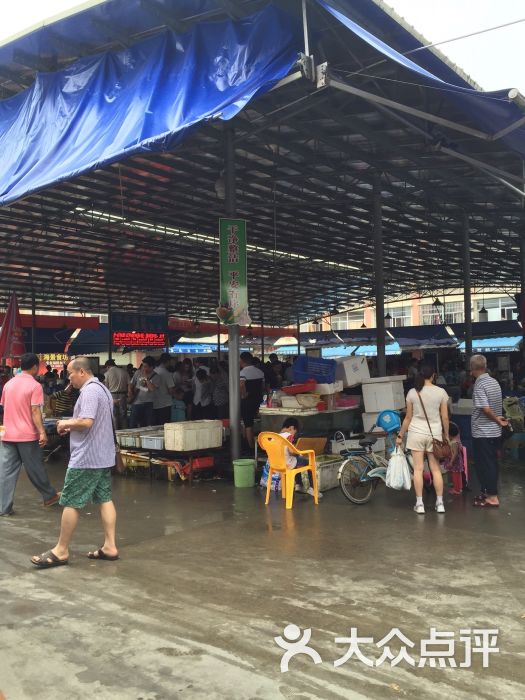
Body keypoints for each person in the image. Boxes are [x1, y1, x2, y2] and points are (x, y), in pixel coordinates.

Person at [31, 356, 119, 568]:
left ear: (81, 372)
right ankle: (110, 546)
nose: (68, 378)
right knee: (104, 498)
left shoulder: (89, 391)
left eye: (70, 373)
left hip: (87, 457)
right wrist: (73, 426)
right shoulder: (103, 389)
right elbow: (94, 423)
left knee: (70, 501)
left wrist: (65, 423)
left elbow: (87, 421)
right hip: (103, 455)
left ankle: (61, 550)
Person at [0, 353, 61, 516]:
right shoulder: (35, 386)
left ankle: (3, 508)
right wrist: (42, 432)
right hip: (27, 435)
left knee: (6, 472)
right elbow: (35, 411)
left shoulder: (9, 384)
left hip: (8, 434)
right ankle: (49, 496)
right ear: (34, 366)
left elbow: (5, 408)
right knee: (35, 468)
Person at [396, 365, 449, 514]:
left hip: (416, 434)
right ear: (433, 376)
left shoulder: (413, 393)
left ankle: (419, 504)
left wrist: (400, 435)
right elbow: (444, 416)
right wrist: (446, 434)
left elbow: (408, 417)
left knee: (418, 470)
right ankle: (440, 503)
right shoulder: (441, 392)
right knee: (435, 469)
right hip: (435, 435)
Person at [470, 354, 508, 508]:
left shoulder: (479, 385)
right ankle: (487, 493)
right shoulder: (494, 382)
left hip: (483, 431)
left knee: (486, 464)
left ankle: (492, 497)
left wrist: (496, 419)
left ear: (472, 368)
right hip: (494, 431)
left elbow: (485, 408)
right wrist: (498, 421)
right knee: (490, 462)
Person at [280, 417, 321, 499]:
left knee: (297, 461)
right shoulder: (288, 436)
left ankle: (299, 485)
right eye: (295, 431)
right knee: (308, 462)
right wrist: (299, 452)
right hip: (288, 463)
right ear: (291, 428)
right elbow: (292, 452)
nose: (294, 434)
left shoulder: (276, 436)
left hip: (278, 465)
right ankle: (313, 489)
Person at [240, 351, 265, 450]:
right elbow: (263, 387)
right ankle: (257, 445)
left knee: (248, 424)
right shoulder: (260, 372)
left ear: (242, 361)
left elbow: (241, 385)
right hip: (258, 401)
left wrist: (243, 394)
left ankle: (251, 448)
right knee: (255, 423)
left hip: (247, 401)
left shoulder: (243, 372)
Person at [128, 356, 158, 428]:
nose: (143, 368)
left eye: (146, 367)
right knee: (132, 424)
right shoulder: (138, 373)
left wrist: (146, 378)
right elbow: (131, 384)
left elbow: (152, 389)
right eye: (143, 366)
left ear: (152, 367)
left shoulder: (156, 376)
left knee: (147, 425)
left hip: (148, 403)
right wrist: (130, 392)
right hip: (136, 402)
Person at [103, 359, 130, 429]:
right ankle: (125, 430)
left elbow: (106, 387)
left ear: (108, 366)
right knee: (123, 414)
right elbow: (129, 384)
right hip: (123, 395)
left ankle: (116, 431)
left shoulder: (107, 374)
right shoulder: (124, 372)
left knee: (114, 415)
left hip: (112, 395)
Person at [153, 353, 176, 425]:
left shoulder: (154, 371)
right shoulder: (167, 374)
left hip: (154, 403)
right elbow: (171, 390)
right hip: (165, 404)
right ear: (168, 361)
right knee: (164, 426)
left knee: (156, 426)